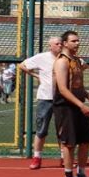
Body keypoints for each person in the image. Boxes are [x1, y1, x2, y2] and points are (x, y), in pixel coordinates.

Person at [52, 30, 89, 177]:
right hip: (65, 107)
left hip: (78, 104)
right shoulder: (62, 62)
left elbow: (77, 84)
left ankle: (82, 175)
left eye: (78, 40)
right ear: (65, 43)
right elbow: (63, 89)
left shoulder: (77, 61)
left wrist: (87, 95)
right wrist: (81, 105)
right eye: (74, 41)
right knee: (69, 143)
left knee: (85, 141)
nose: (77, 43)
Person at [19, 36, 63, 169]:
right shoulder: (42, 57)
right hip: (45, 98)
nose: (60, 45)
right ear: (50, 46)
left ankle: (64, 157)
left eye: (61, 43)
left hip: (62, 98)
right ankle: (37, 157)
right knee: (41, 129)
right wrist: (36, 76)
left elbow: (83, 64)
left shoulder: (67, 58)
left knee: (63, 130)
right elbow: (22, 65)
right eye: (57, 44)